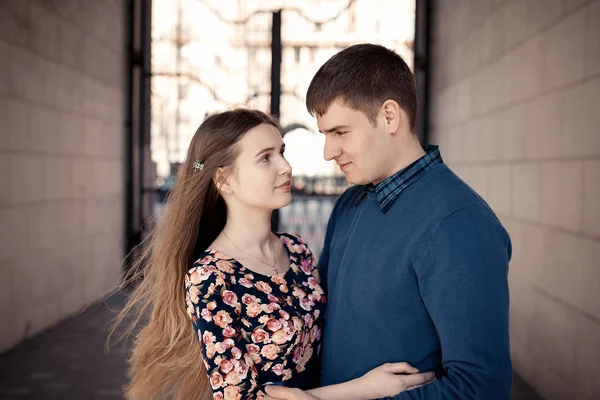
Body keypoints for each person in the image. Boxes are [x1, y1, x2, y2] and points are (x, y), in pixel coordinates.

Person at [111, 109, 434, 400]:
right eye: (266, 158)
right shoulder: (210, 278)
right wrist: (367, 388)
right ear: (223, 179)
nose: (286, 167)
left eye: (281, 152)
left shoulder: (296, 249)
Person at [264, 44, 512, 400]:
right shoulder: (350, 203)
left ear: (390, 117)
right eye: (325, 135)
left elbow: (480, 389)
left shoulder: (460, 224)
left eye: (340, 132)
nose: (328, 151)